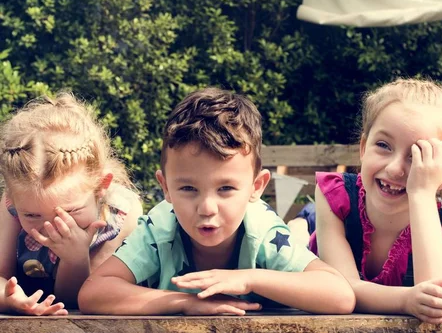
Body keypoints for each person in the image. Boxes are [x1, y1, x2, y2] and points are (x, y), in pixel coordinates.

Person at [78, 87, 355, 316]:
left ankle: (299, 226)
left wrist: (248, 278)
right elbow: (94, 292)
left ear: (255, 187)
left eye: (225, 188)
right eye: (188, 188)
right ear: (166, 189)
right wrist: (184, 302)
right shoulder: (159, 228)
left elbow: (339, 295)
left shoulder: (262, 230)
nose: (207, 208)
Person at [291, 78, 442, 324]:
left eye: (416, 156)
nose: (395, 169)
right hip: (314, 239)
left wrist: (422, 193)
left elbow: (438, 300)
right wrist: (405, 300)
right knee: (299, 232)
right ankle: (299, 224)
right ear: (364, 147)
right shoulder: (335, 196)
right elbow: (343, 288)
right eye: (383, 145)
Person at [0, 93, 142, 315]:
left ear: (101, 186)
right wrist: (8, 297)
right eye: (32, 216)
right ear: (11, 198)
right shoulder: (15, 200)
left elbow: (81, 300)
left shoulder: (120, 216)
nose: (52, 227)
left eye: (71, 211)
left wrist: (75, 259)